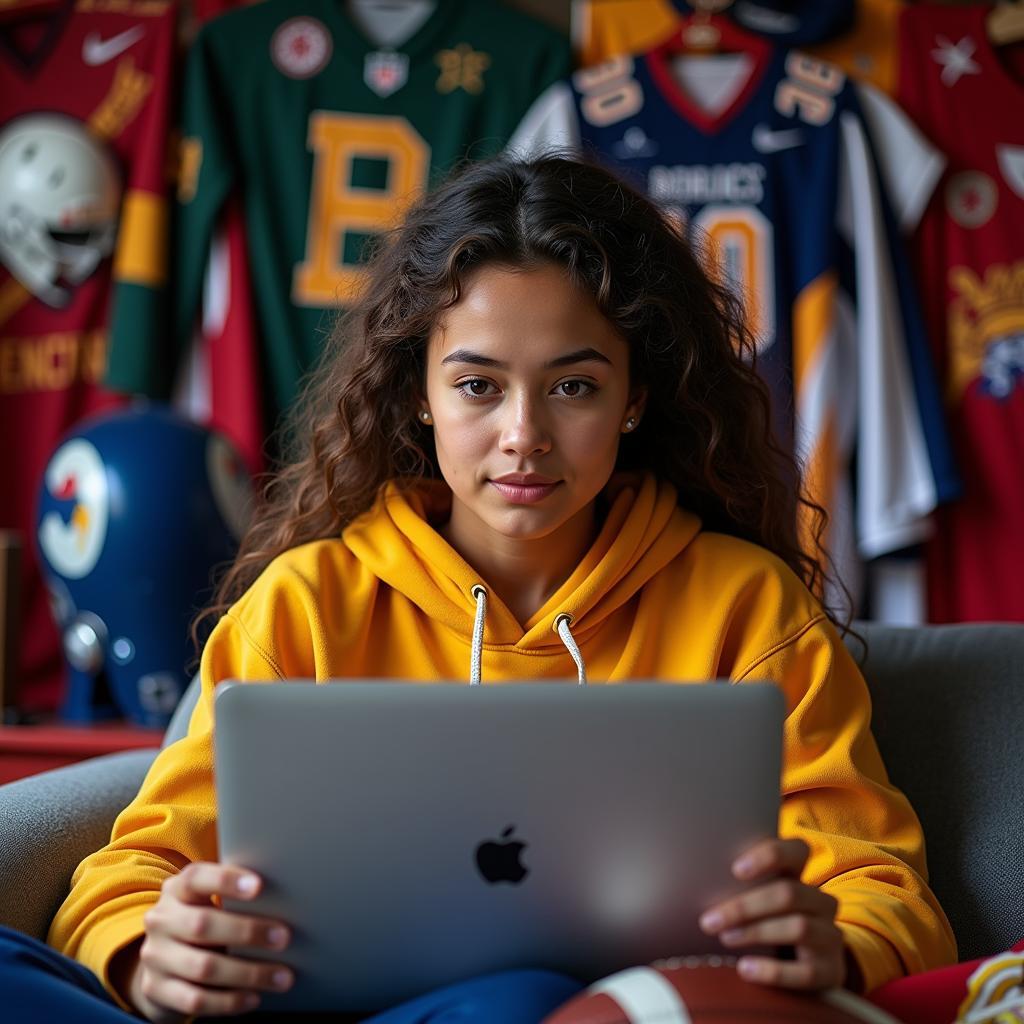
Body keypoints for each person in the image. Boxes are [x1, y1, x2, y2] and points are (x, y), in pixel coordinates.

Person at [1, 155, 957, 1022]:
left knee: (519, 1002)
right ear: (417, 389)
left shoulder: (744, 609)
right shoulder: (308, 604)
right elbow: (132, 869)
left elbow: (884, 888)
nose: (524, 435)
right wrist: (145, 953)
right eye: (477, 385)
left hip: (541, 1016)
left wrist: (835, 937)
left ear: (636, 398)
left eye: (574, 387)